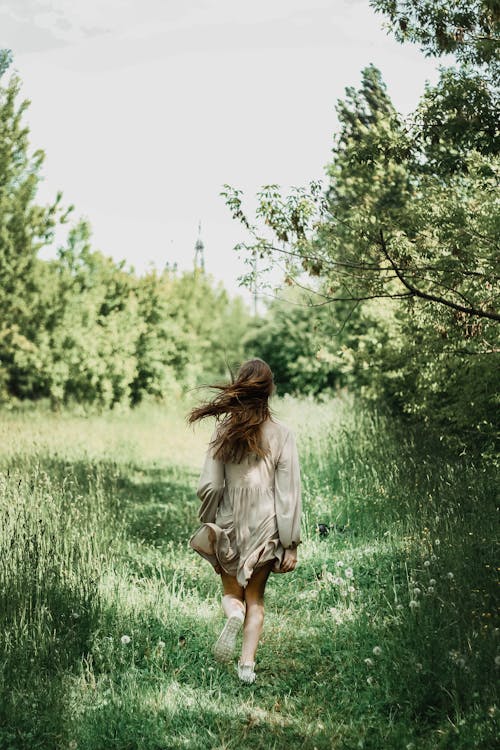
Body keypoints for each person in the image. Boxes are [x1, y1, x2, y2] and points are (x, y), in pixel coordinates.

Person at [187, 357, 302, 684]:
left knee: (232, 594)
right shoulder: (282, 434)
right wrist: (289, 542)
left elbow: (210, 485)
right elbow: (288, 492)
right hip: (266, 523)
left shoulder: (224, 431)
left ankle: (232, 614)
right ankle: (247, 666)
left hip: (230, 521)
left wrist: (211, 522)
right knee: (257, 599)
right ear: (270, 390)